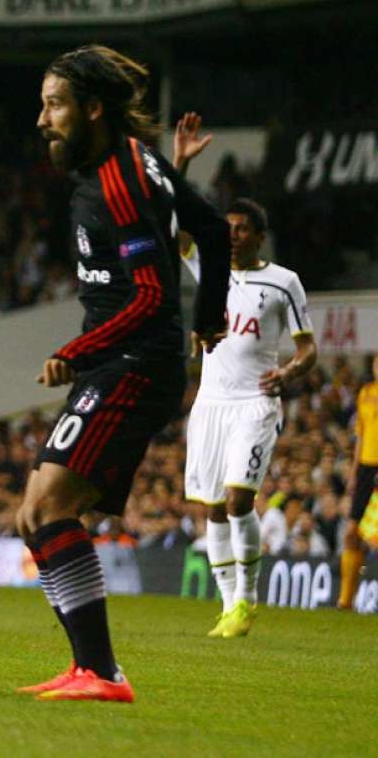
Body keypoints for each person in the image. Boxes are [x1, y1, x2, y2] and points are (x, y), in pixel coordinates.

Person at [16, 45, 230, 702]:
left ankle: (103, 672)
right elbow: (214, 230)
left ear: (92, 108)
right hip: (126, 358)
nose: (42, 119)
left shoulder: (120, 176)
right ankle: (90, 667)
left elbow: (148, 299)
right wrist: (210, 316)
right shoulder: (136, 165)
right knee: (33, 515)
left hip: (132, 360)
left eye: (55, 105)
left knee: (50, 506)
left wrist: (79, 351)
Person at [172, 119, 317, 636]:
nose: (230, 237)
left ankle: (248, 600)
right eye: (226, 229)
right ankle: (230, 604)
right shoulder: (209, 267)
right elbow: (174, 224)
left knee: (238, 499)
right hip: (209, 403)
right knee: (212, 508)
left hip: (255, 402)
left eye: (240, 230)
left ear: (258, 234)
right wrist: (183, 163)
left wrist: (291, 371)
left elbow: (309, 349)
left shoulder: (284, 283)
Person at [341, 355, 378, 609]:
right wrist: (354, 472)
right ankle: (346, 600)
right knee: (352, 533)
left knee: (373, 536)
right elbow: (361, 437)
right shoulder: (365, 393)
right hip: (365, 468)